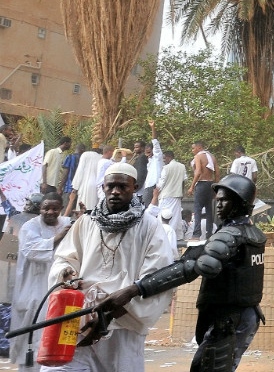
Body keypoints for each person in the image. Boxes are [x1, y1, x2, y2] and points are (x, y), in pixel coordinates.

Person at [98, 174, 266, 372]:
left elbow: (187, 270)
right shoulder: (251, 233)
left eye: (224, 200)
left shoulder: (229, 236)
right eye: (218, 200)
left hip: (228, 318)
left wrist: (135, 289)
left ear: (240, 203)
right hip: (246, 315)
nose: (218, 205)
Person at [43, 162, 173, 372]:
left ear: (135, 187)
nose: (115, 191)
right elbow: (64, 258)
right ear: (103, 187)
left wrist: (109, 317)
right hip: (81, 318)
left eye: (123, 187)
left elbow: (156, 278)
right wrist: (65, 273)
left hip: (123, 324)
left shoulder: (150, 226)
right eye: (110, 186)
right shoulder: (86, 222)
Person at [10, 192, 71, 371]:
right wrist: (59, 236)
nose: (50, 212)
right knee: (32, 331)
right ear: (40, 209)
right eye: (46, 208)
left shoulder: (66, 223)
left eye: (54, 208)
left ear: (61, 208)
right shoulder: (30, 227)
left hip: (57, 287)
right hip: (33, 289)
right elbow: (33, 251)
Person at [188, 141, 216, 240]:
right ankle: (209, 233)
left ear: (199, 148)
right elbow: (217, 172)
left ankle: (196, 234)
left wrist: (192, 186)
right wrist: (216, 187)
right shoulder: (212, 157)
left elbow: (198, 171)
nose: (192, 151)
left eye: (193, 148)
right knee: (209, 210)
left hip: (202, 183)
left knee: (198, 209)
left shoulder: (198, 157)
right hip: (211, 184)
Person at [157, 150, 187, 239]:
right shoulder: (182, 166)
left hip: (166, 196)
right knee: (176, 217)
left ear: (169, 157)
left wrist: (156, 190)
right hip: (177, 195)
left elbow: (161, 182)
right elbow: (183, 181)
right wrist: (182, 192)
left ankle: (164, 236)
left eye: (164, 158)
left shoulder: (166, 168)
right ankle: (176, 237)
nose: (164, 160)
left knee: (163, 216)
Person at [71, 149, 102, 217]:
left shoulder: (85, 154)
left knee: (82, 208)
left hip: (85, 185)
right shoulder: (102, 157)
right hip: (97, 186)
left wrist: (75, 187)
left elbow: (80, 171)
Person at [141, 120, 163, 206]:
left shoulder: (157, 158)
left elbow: (155, 142)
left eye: (149, 152)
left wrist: (153, 128)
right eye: (146, 153)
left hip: (153, 186)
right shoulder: (148, 161)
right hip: (147, 186)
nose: (147, 155)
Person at [59, 144, 86, 209]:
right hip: (80, 190)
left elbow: (65, 174)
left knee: (66, 210)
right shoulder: (84, 159)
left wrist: (60, 187)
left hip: (69, 188)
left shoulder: (70, 157)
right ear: (82, 150)